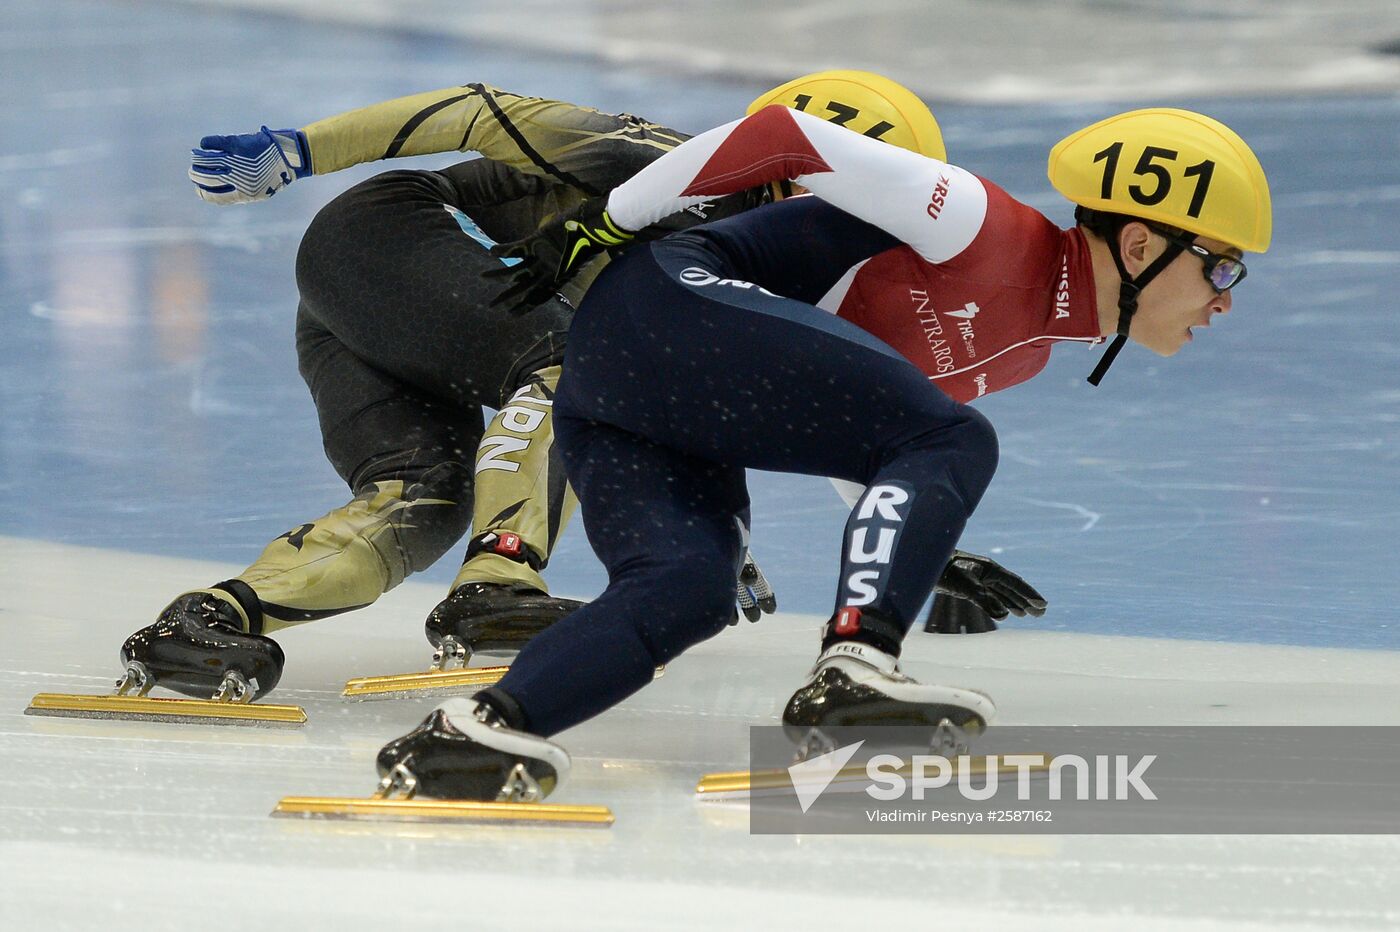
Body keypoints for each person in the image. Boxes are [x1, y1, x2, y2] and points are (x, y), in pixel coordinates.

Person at [373, 105, 1271, 802]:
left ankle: (475, 730)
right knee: (955, 436)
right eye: (1223, 268)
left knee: (686, 590)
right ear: (1145, 243)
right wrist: (604, 223)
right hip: (664, 307)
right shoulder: (976, 220)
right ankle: (852, 672)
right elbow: (782, 134)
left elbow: (870, 432)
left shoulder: (1028, 348)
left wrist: (929, 542)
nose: (1226, 300)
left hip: (628, 394)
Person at [117, 75, 1026, 703]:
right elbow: (478, 111)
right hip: (391, 236)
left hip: (362, 309)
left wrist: (917, 547)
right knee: (566, 360)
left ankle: (211, 618)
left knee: (421, 498)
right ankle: (498, 575)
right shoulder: (673, 160)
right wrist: (296, 150)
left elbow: (743, 410)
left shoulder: (781, 260)